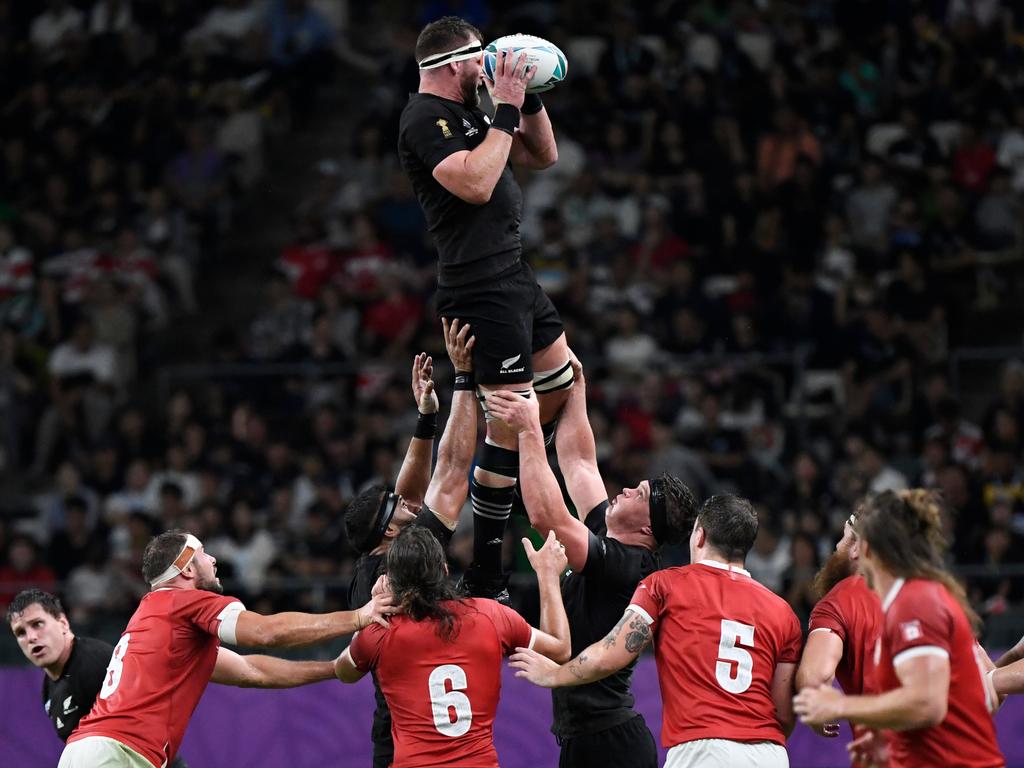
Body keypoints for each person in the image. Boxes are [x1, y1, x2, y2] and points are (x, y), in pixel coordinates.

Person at [399, 15, 572, 601]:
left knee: (566, 381)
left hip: (513, 274)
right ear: (451, 65)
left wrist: (528, 100)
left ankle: (563, 493)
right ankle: (488, 568)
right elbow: (474, 182)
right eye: (481, 57)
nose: (490, 64)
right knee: (508, 421)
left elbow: (543, 156)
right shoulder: (423, 118)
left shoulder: (478, 107)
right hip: (478, 287)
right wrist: (503, 106)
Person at [486, 357, 698, 768]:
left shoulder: (631, 564)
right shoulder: (608, 533)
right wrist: (576, 389)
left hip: (611, 744)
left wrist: (530, 430)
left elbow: (547, 518)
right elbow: (579, 462)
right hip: (586, 739)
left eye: (640, 493)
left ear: (647, 530)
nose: (629, 487)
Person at [510, 494, 802, 768]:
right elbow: (784, 714)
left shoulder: (666, 585)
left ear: (698, 535)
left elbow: (609, 655)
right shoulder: (782, 611)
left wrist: (553, 675)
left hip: (702, 750)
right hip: (769, 753)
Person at [57, 531, 393, 768]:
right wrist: (359, 616)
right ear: (187, 569)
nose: (213, 559)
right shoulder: (185, 602)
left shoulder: (159, 619)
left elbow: (251, 671)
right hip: (118, 754)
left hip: (87, 751)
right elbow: (265, 633)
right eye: (204, 553)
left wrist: (334, 667)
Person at [344, 317, 478, 768]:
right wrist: (464, 377)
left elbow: (412, 492)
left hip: (396, 727)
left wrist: (425, 418)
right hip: (424, 732)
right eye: (394, 506)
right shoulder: (408, 560)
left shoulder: (373, 566)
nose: (406, 501)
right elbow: (455, 465)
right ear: (389, 531)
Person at [793, 489, 1004, 768]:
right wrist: (888, 740)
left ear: (864, 548)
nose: (837, 548)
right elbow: (985, 694)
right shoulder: (921, 597)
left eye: (844, 538)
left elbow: (927, 704)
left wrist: (840, 705)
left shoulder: (914, 601)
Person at [335, 525, 572, 767]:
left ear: (390, 582)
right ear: (445, 570)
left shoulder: (379, 633)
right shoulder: (490, 616)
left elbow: (344, 671)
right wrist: (548, 575)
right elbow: (561, 648)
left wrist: (369, 613)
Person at [795, 510, 882, 757]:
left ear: (857, 550)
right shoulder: (937, 594)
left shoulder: (841, 600)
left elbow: (816, 676)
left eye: (844, 538)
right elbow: (989, 685)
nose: (836, 546)